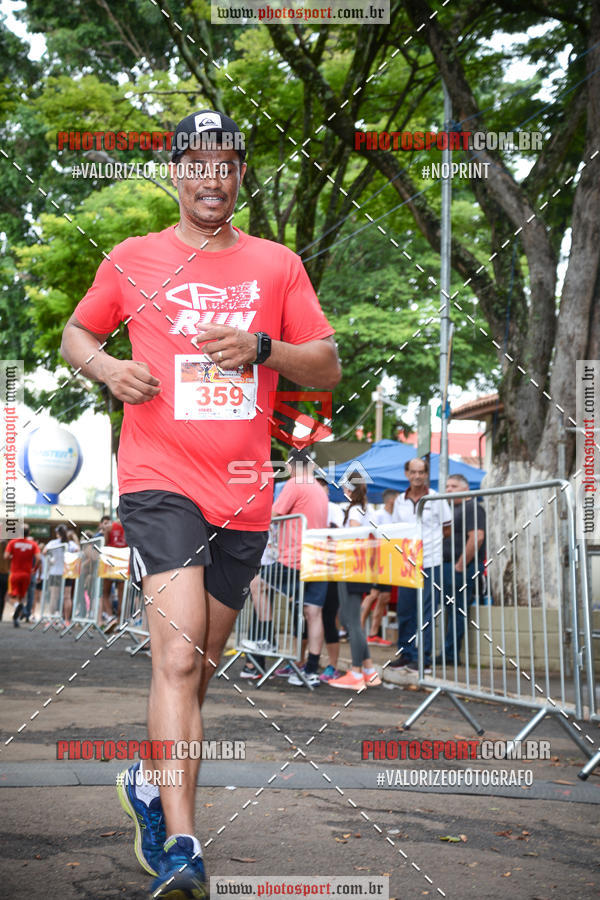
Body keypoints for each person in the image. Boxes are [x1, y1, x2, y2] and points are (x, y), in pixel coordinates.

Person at [60, 108, 340, 899]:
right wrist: (108, 371)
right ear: (174, 172)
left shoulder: (277, 265)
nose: (211, 176)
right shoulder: (132, 258)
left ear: (240, 175)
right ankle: (184, 843)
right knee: (176, 659)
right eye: (197, 162)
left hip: (246, 496)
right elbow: (78, 335)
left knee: (199, 669)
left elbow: (324, 365)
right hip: (160, 480)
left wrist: (262, 349)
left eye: (226, 163)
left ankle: (150, 783)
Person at [269, 447, 329, 688]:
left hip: (293, 558)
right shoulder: (317, 487)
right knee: (313, 613)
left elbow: (274, 513)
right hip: (317, 557)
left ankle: (265, 641)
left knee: (256, 585)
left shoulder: (295, 483)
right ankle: (311, 668)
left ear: (291, 466)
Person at [390, 457, 452, 671]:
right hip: (407, 563)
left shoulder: (436, 498)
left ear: (426, 475)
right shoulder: (400, 500)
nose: (417, 476)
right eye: (413, 472)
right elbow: (396, 531)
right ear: (407, 474)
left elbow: (447, 529)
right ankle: (406, 653)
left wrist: (430, 548)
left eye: (421, 472)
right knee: (405, 610)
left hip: (430, 562)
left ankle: (423, 657)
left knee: (426, 612)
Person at [329, 473, 381, 690]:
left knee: (351, 621)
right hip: (362, 569)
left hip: (351, 568)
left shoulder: (355, 511)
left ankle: (357, 672)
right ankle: (368, 670)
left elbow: (351, 539)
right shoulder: (368, 510)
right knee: (352, 620)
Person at [438, 474, 486, 666]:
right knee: (450, 609)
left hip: (462, 567)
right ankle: (448, 652)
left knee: (457, 610)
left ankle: (450, 654)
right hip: (449, 565)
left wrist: (460, 564)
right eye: (447, 486)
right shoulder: (453, 509)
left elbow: (477, 537)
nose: (449, 490)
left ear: (465, 489)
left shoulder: (472, 507)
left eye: (454, 486)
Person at [360, 488, 399, 645]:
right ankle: (356, 631)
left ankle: (373, 634)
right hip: (378, 561)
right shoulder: (378, 516)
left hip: (390, 562)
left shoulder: (395, 516)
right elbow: (372, 538)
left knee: (384, 597)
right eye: (398, 499)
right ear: (391, 500)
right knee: (373, 594)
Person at [4, 525, 41, 628]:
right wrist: (35, 569)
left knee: (11, 597)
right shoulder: (33, 544)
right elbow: (39, 558)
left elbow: (6, 556)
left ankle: (22, 609)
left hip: (15, 573)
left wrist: (13, 556)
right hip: (26, 575)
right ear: (28, 533)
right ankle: (16, 619)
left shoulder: (12, 542)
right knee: (21, 597)